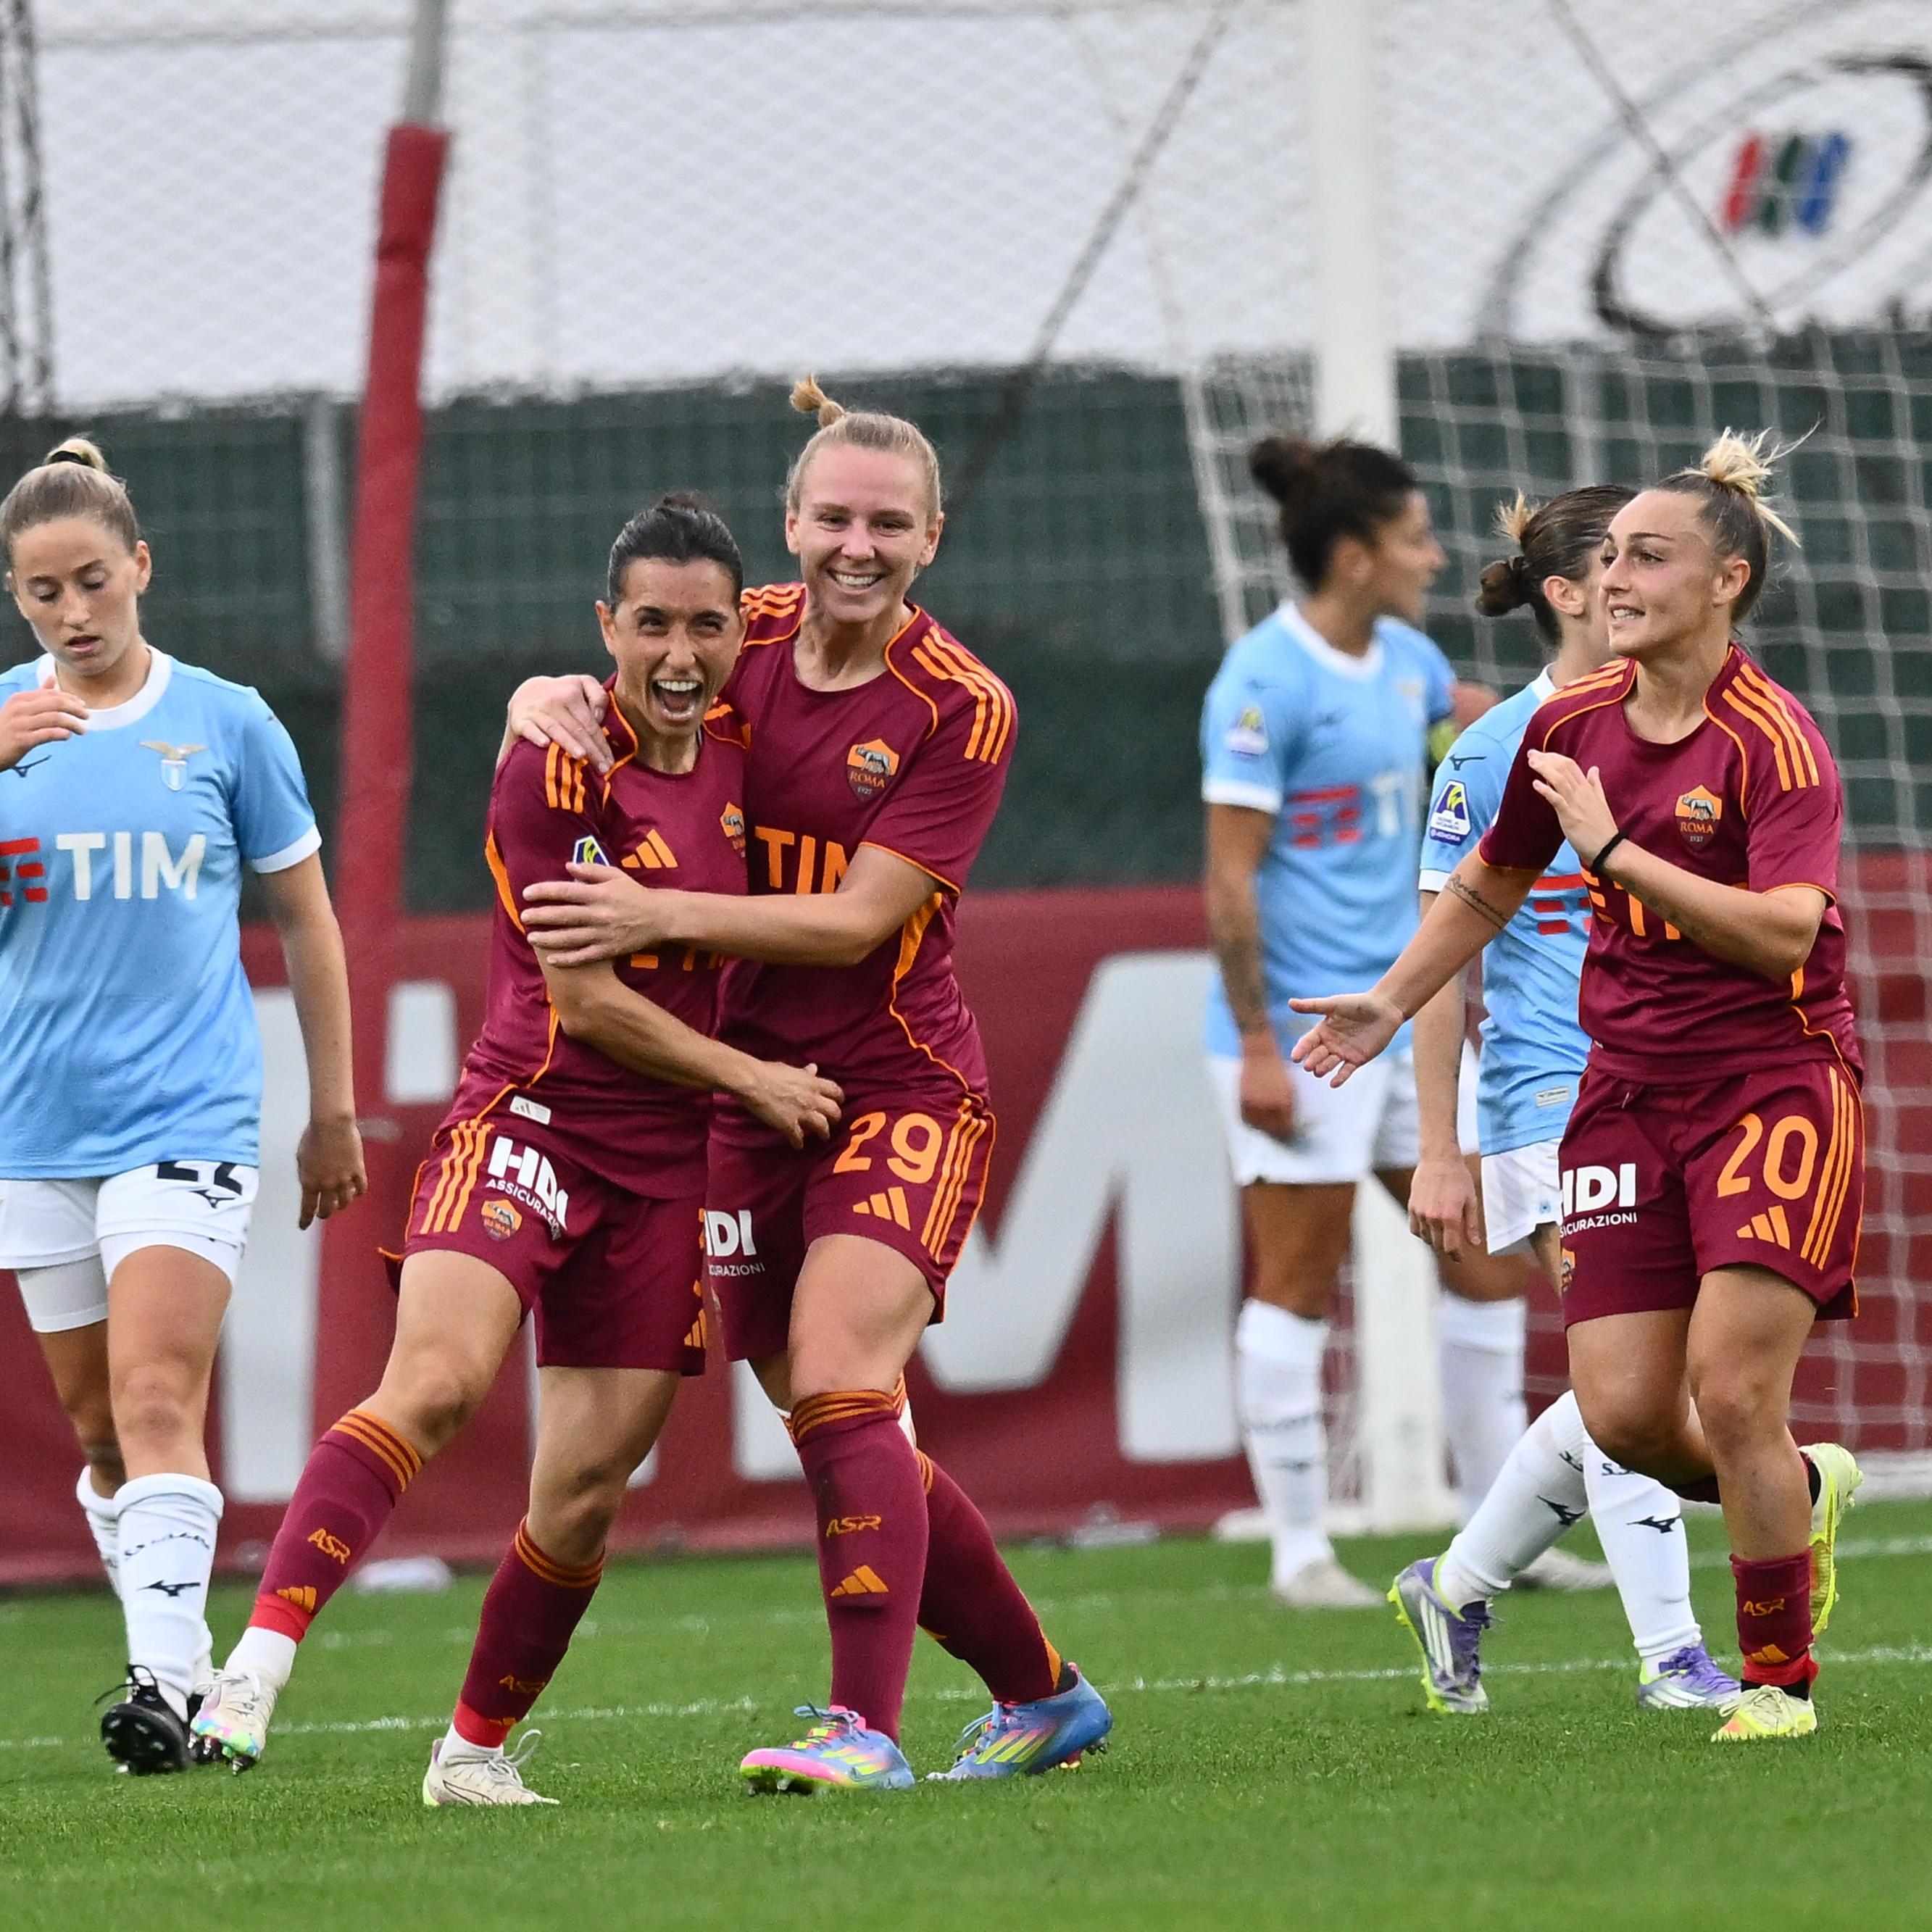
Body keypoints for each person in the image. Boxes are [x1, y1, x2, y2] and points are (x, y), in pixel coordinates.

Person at [504, 379, 1112, 1791]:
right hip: (735, 1093)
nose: (856, 543)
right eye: (833, 516)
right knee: (842, 1430)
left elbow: (854, 922)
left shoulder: (962, 705)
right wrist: (544, 699)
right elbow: (604, 704)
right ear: (788, 525)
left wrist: (660, 922)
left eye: (886, 523)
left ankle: (864, 1730)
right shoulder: (736, 636)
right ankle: (1041, 1691)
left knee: (845, 1380)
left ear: (933, 537)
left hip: (895, 1088)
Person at [191, 496, 843, 1799]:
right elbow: (590, 999)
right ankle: (253, 1665)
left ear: (738, 631)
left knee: (587, 1492)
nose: (675, 652)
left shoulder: (749, 738)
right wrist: (752, 1077)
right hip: (529, 1121)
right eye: (647, 622)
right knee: (432, 1383)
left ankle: (471, 1757)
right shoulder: (556, 760)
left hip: (667, 1173)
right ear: (605, 625)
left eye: (704, 625)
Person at [1291, 433, 1864, 1742]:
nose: (1613, 575)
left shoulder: (1772, 741)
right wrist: (1389, 997)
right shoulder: (1557, 726)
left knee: (1727, 1392)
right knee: (1620, 1414)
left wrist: (1616, 850)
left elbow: (1783, 931)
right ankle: (1789, 1489)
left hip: (1767, 1088)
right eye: (1605, 554)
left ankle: (1768, 1683)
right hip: (1619, 1095)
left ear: (1726, 580)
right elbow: (1487, 881)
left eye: (1646, 555)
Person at [0, 437, 366, 1774]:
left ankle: (161, 1685)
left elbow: (307, 920)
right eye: (40, 594)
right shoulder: (0, 731)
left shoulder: (224, 721)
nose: (73, 614)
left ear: (142, 566)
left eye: (93, 580)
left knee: (158, 1392)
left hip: (185, 1115)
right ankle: (193, 1668)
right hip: (33, 1130)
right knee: (100, 1430)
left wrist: (332, 1107)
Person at [1392, 485, 1738, 1713]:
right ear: (1567, 593)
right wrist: (1438, 1143)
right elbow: (1446, 955)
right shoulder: (1495, 750)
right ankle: (1670, 1657)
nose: (1641, 580)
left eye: (1659, 557)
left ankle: (1454, 1582)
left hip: (1674, 1089)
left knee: (1638, 1388)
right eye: (1620, 561)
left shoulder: (1686, 729)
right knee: (1635, 1378)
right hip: (1549, 1092)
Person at [1199, 433, 1538, 1610]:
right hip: (1301, 1029)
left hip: (1408, 1007)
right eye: (1413, 537)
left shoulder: (1406, 661)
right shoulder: (1259, 680)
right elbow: (1229, 881)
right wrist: (1249, 1041)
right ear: (1353, 556)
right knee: (1296, 1277)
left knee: (1485, 1263)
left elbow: (1464, 734)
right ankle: (1299, 1550)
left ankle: (1506, 1539)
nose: (1435, 556)